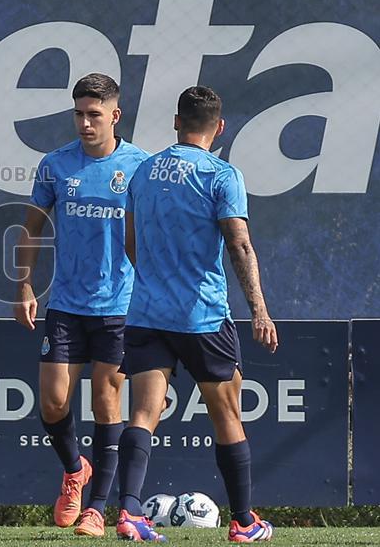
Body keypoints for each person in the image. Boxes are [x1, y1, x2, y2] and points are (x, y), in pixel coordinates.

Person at [115, 86, 277, 543]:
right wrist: (260, 311)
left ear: (175, 122)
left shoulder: (143, 171)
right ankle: (245, 522)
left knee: (143, 413)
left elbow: (131, 241)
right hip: (202, 316)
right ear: (219, 127)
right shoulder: (221, 175)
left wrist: (151, 280)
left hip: (146, 313)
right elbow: (239, 244)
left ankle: (129, 513)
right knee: (226, 413)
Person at [14, 73, 149, 537]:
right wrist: (25, 286)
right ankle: (75, 469)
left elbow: (156, 231)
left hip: (120, 306)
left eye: (94, 114)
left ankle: (96, 509)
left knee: (106, 402)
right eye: (78, 114)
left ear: (115, 115)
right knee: (52, 403)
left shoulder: (140, 166)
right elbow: (30, 227)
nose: (85, 123)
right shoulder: (55, 165)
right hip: (67, 305)